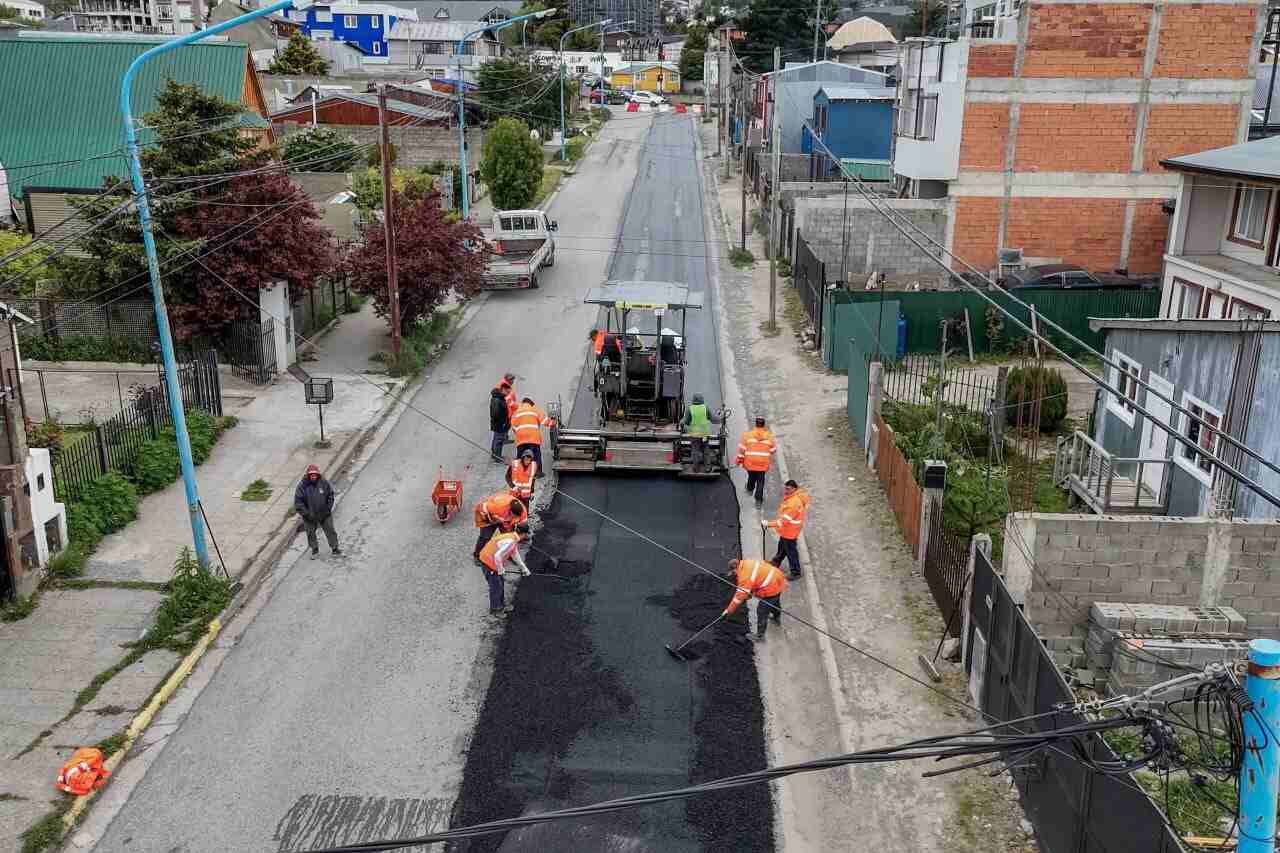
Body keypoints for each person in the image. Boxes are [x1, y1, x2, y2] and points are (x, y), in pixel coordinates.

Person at [722, 557, 788, 641]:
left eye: (733, 573)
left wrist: (729, 610)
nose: (734, 575)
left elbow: (738, 597)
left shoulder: (744, 577)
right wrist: (749, 593)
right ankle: (776, 618)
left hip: (771, 586)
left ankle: (760, 636)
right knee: (774, 601)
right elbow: (754, 579)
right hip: (777, 577)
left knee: (762, 610)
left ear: (735, 569)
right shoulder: (746, 563)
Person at [478, 523, 531, 615]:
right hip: (488, 563)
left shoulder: (511, 538)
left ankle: (501, 605)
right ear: (524, 534)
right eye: (527, 534)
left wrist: (524, 569)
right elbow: (497, 556)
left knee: (500, 583)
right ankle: (496, 610)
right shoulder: (511, 541)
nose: (527, 536)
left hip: (489, 559)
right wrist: (501, 570)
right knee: (496, 586)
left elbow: (515, 554)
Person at [765, 479, 810, 579]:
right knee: (782, 547)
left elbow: (783, 521)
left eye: (788, 489)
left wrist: (768, 524)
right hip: (788, 530)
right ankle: (776, 561)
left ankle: (796, 572)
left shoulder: (793, 503)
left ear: (794, 489)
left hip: (789, 531)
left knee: (791, 552)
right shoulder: (795, 497)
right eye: (785, 488)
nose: (785, 491)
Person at [294, 463, 341, 559]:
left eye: (315, 474)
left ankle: (335, 548)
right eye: (311, 475)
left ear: (318, 474)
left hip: (324, 514)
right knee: (310, 533)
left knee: (330, 530)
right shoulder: (302, 486)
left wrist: (327, 509)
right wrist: (307, 514)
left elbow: (330, 496)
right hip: (309, 516)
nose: (313, 476)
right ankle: (314, 550)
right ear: (308, 475)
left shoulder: (324, 483)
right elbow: (298, 503)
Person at [473, 491, 529, 562]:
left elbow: (523, 526)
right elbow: (480, 508)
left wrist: (522, 535)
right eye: (513, 516)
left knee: (508, 537)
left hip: (502, 519)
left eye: (516, 517)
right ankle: (477, 555)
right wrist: (491, 519)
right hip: (488, 517)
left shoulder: (522, 512)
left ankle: (507, 553)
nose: (514, 518)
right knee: (485, 537)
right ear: (510, 510)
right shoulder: (497, 506)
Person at [736, 416, 777, 506]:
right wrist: (765, 452)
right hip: (763, 463)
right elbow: (773, 450)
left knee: (752, 476)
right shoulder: (769, 436)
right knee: (760, 481)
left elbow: (742, 450)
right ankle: (758, 501)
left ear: (756, 424)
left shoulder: (747, 435)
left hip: (750, 463)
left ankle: (750, 489)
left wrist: (739, 460)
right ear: (763, 425)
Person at [511, 397, 555, 477]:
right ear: (531, 404)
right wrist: (552, 423)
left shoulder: (517, 412)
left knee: (521, 455)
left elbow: (513, 426)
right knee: (536, 455)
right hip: (533, 438)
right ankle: (537, 473)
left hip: (521, 438)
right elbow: (544, 421)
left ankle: (520, 473)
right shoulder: (534, 409)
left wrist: (518, 433)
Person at [681, 392, 723, 471]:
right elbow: (713, 419)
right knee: (706, 450)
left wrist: (681, 422)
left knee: (695, 451)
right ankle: (707, 468)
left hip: (694, 435)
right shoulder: (705, 408)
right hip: (704, 434)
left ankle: (696, 468)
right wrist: (721, 419)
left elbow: (686, 422)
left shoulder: (689, 409)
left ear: (693, 400)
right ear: (702, 400)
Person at [490, 382, 512, 463]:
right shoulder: (497, 400)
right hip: (499, 424)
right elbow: (496, 413)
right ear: (503, 390)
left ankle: (495, 454)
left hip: (498, 423)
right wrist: (502, 422)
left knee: (496, 438)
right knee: (499, 440)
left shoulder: (498, 397)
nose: (508, 393)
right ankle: (497, 457)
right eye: (507, 391)